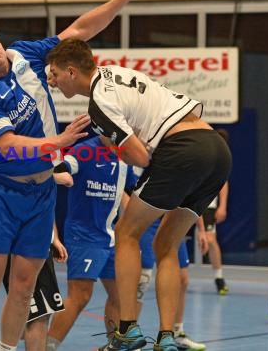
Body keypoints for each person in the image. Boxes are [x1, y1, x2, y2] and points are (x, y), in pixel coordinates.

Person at [0, 0, 152, 350]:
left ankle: (5, 347)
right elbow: (9, 145)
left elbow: (81, 29)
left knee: (25, 284)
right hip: (1, 193)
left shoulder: (24, 55)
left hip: (42, 192)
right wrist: (59, 143)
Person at [46, 39, 232, 350]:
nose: (51, 81)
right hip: (217, 150)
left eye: (54, 74)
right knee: (166, 244)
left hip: (181, 149)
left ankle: (128, 330)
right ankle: (167, 337)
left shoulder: (99, 101)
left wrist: (137, 154)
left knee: (127, 232)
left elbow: (139, 156)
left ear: (71, 71)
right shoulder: (115, 74)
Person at [45, 135, 137, 351]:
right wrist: (60, 171)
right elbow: (60, 168)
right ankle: (46, 345)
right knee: (80, 296)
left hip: (111, 237)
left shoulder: (125, 157)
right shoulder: (85, 151)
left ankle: (115, 345)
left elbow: (131, 191)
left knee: (120, 295)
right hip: (83, 235)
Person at [136, 217, 208, 351]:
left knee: (182, 280)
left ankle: (176, 334)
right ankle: (130, 338)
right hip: (149, 221)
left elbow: (193, 197)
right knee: (142, 279)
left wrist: (201, 229)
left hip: (173, 222)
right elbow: (126, 196)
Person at [2, 223, 67, 351]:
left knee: (33, 310)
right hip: (26, 240)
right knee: (38, 314)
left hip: (38, 238)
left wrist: (54, 237)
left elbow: (48, 203)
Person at [200, 129, 230, 295]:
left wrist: (222, 206)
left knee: (211, 240)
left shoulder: (221, 160)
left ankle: (219, 278)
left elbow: (223, 183)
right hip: (187, 203)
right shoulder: (198, 153)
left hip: (208, 206)